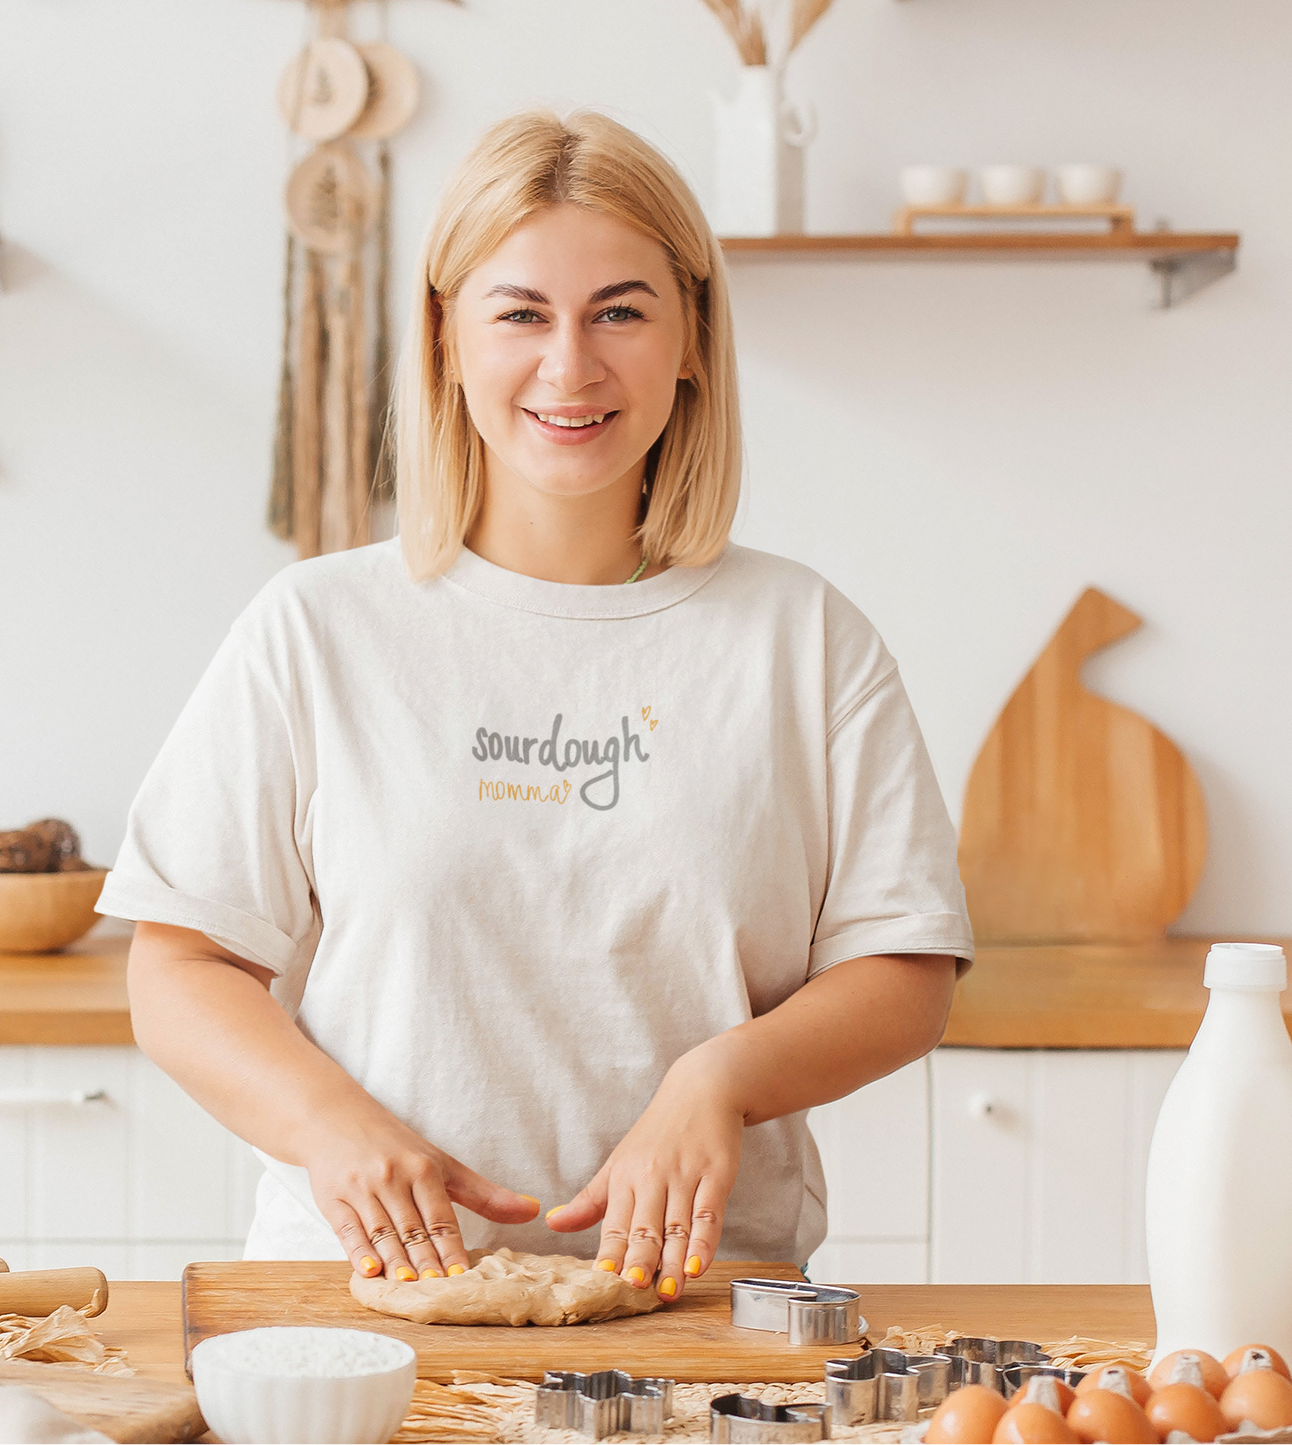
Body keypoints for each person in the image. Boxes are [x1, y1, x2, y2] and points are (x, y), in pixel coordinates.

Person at [100, 109, 972, 1301]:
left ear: (691, 343)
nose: (570, 365)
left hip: (703, 1306)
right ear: (445, 338)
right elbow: (179, 965)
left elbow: (902, 967)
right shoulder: (315, 628)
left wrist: (718, 1080)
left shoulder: (803, 637)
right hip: (362, 1303)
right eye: (519, 313)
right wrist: (330, 1123)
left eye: (619, 309)